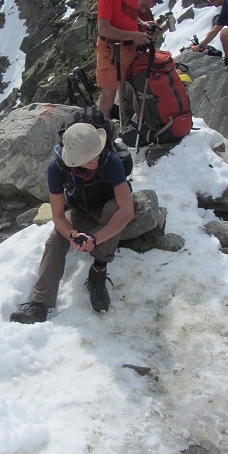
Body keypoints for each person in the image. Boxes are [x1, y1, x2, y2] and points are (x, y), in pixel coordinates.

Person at [10, 123, 134, 323]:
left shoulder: (110, 160)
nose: (97, 156)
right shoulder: (57, 168)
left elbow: (127, 210)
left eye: (97, 151)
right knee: (55, 240)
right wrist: (71, 234)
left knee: (114, 213)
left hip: (107, 207)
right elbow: (58, 216)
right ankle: (40, 303)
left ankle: (98, 271)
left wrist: (95, 239)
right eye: (90, 155)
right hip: (80, 210)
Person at [96, 0, 151, 119]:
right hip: (111, 51)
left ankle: (140, 128)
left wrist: (142, 23)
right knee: (108, 98)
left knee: (140, 88)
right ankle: (100, 138)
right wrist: (134, 35)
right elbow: (103, 29)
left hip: (131, 48)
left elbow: (129, 13)